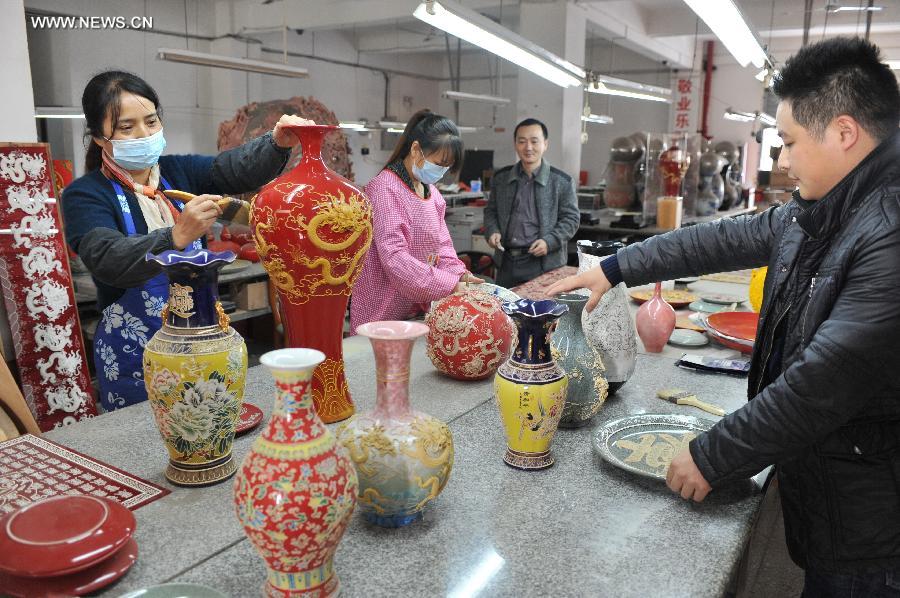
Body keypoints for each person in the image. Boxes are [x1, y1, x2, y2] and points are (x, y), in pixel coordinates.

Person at [548, 37, 900, 596]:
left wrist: (715, 455)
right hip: (835, 484)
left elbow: (825, 381)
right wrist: (615, 267)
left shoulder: (887, 232)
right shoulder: (823, 211)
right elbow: (717, 241)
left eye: (787, 142)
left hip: (871, 520)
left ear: (844, 133)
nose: (780, 160)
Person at [63, 70, 313, 411]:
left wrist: (276, 142)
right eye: (127, 127)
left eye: (151, 122)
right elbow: (108, 258)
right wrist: (177, 236)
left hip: (202, 339)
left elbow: (234, 168)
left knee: (209, 428)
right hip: (135, 355)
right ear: (99, 137)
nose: (144, 133)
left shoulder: (178, 171)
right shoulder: (85, 195)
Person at [350, 109, 482, 333]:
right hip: (383, 313)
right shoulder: (385, 189)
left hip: (419, 311)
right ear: (415, 150)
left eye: (447, 167)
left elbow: (443, 249)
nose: (441, 172)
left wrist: (461, 276)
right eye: (439, 163)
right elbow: (395, 258)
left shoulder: (433, 194)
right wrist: (450, 286)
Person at [483, 118, 580, 288]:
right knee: (505, 310)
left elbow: (571, 219)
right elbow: (491, 211)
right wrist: (492, 231)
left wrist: (549, 241)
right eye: (522, 141)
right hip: (507, 262)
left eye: (534, 141)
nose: (528, 147)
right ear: (515, 144)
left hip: (544, 262)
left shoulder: (561, 181)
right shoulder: (501, 178)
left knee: (543, 312)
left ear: (545, 144)